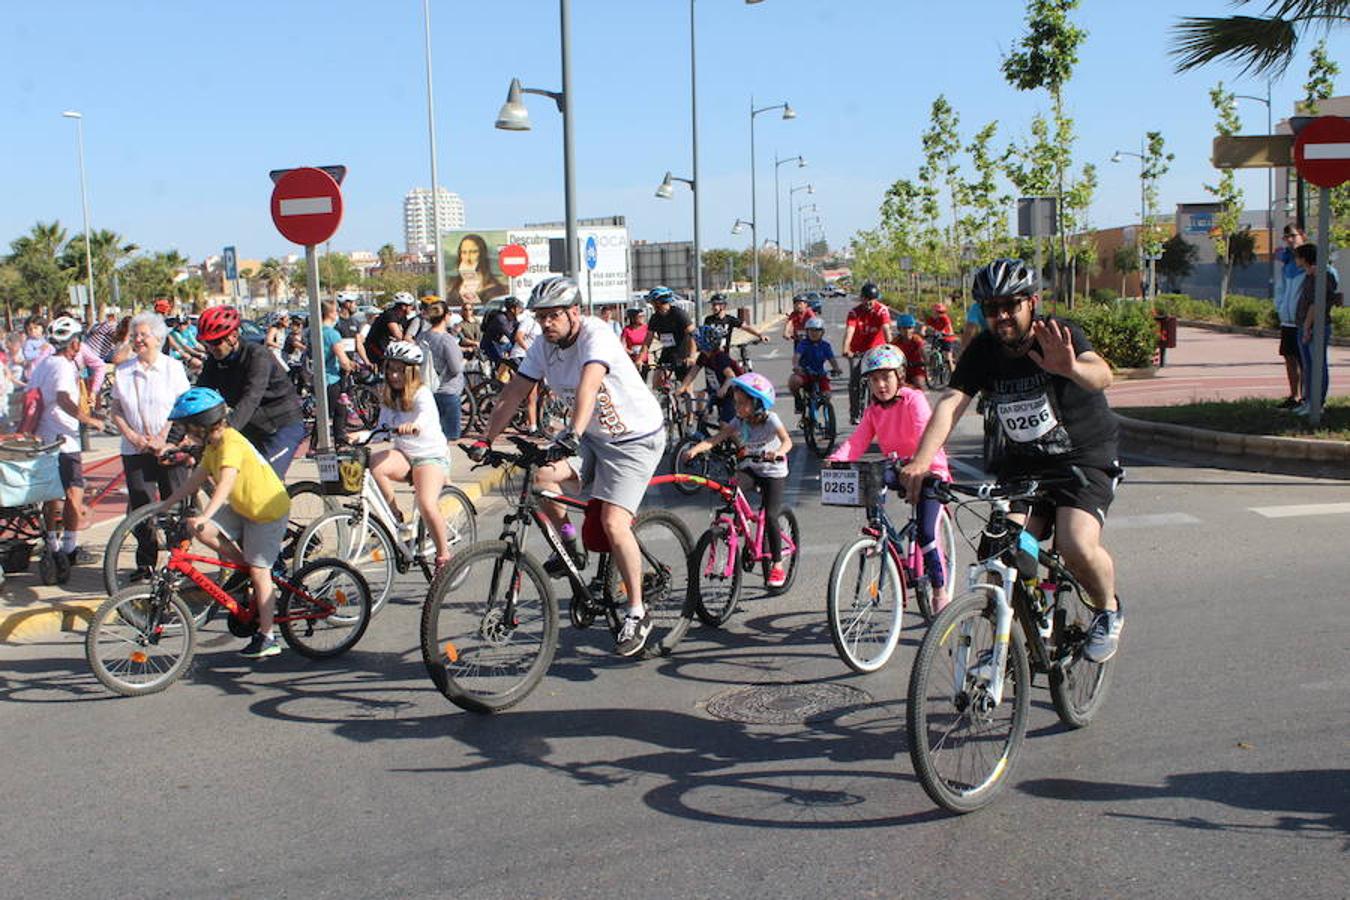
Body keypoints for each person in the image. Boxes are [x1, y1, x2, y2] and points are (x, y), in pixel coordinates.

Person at [900, 258, 1123, 663]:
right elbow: (952, 402)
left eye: (1010, 305)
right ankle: (1010, 642)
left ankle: (1108, 609)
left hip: (1082, 459)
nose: (1000, 315)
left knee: (1073, 544)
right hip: (1024, 467)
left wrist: (1071, 367)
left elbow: (1102, 374)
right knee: (999, 554)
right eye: (990, 308)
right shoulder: (984, 350)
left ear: (1032, 302)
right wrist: (921, 460)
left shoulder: (1058, 334)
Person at [468, 276, 666, 657]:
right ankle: (570, 547)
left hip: (635, 440)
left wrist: (572, 433)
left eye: (553, 316)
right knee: (541, 476)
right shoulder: (544, 346)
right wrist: (485, 440)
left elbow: (590, 385)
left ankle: (637, 612)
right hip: (591, 436)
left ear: (575, 312)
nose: (545, 324)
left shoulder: (597, 336)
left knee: (612, 522)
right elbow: (514, 393)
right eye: (540, 317)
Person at [160, 387, 291, 660]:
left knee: (259, 571)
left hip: (266, 512)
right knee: (198, 529)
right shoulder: (213, 445)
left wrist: (205, 514)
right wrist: (165, 504)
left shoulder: (230, 443)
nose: (186, 432)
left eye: (188, 427)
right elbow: (197, 478)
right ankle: (243, 565)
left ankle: (268, 637)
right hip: (244, 508)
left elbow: (226, 483)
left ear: (202, 425)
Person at [829, 344, 953, 612]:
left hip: (930, 468)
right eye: (874, 379)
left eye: (886, 377)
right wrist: (837, 460)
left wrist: (921, 465)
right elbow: (857, 441)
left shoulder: (914, 399)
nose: (880, 384)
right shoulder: (874, 410)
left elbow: (923, 432)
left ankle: (940, 591)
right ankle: (879, 534)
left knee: (927, 534)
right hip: (899, 466)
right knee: (872, 477)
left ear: (900, 375)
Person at [681, 372, 793, 588]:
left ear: (757, 403)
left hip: (773, 472)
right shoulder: (739, 420)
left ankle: (777, 565)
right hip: (752, 468)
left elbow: (787, 441)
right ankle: (738, 524)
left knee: (770, 516)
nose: (737, 407)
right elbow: (716, 439)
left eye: (742, 403)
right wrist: (694, 450)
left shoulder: (771, 419)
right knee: (730, 487)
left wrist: (778, 452)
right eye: (736, 402)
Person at [110, 313, 192, 581]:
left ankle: (179, 562)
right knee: (140, 505)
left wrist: (163, 439)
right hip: (135, 449)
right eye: (135, 335)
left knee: (175, 505)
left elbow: (182, 407)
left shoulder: (172, 368)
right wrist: (133, 437)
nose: (138, 340)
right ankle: (145, 563)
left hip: (168, 447)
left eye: (143, 335)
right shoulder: (123, 370)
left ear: (158, 338)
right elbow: (116, 409)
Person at [195, 305, 306, 476]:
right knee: (230, 478)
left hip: (281, 426)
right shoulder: (214, 361)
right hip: (251, 428)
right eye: (206, 343)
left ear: (233, 336)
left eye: (215, 342)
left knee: (263, 479)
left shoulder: (257, 356)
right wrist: (175, 439)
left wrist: (226, 430)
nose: (211, 348)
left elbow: (251, 398)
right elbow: (197, 399)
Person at [370, 341, 452, 570]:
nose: (393, 375)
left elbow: (425, 417)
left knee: (427, 504)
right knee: (374, 465)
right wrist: (361, 435)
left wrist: (414, 425)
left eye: (398, 370)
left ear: (411, 371)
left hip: (430, 457)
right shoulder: (389, 396)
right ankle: (396, 517)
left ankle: (444, 556)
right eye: (390, 369)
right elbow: (381, 429)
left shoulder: (422, 393)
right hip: (405, 455)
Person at [30, 317, 106, 565]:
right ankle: (70, 549)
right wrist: (88, 419)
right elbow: (63, 398)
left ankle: (51, 544)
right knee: (74, 492)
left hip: (44, 437)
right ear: (74, 343)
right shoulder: (63, 366)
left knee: (52, 496)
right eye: (79, 341)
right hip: (64, 439)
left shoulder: (43, 364)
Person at [1292, 242, 1342, 416]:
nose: (1295, 260)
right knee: (1308, 365)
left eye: (1297, 256)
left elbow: (1316, 302)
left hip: (1316, 326)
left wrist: (1307, 326)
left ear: (1305, 257)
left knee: (1317, 365)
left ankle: (1317, 403)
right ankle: (1309, 401)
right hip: (1303, 325)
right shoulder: (1310, 273)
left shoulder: (1323, 274)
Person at [842, 282, 894, 424]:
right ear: (862, 298)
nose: (870, 302)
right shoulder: (854, 313)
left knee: (886, 379)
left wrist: (892, 347)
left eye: (873, 299)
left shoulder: (881, 311)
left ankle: (885, 408)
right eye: (867, 299)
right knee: (854, 381)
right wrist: (846, 349)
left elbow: (886, 330)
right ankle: (854, 413)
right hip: (858, 352)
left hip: (877, 352)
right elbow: (849, 332)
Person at [678, 325, 744, 427]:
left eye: (698, 342)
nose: (696, 343)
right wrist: (681, 388)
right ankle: (703, 423)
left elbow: (731, 376)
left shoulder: (719, 357)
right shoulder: (704, 356)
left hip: (731, 394)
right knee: (701, 398)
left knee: (724, 424)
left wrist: (724, 389)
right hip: (715, 391)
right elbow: (692, 373)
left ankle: (741, 444)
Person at [418, 300, 465, 440]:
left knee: (429, 436)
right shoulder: (446, 339)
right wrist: (465, 361)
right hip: (447, 391)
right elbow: (455, 368)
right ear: (445, 316)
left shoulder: (422, 337)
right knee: (448, 438)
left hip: (426, 390)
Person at [1274, 226, 1307, 408]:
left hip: (1302, 320)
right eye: (1286, 236)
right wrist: (1280, 308)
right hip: (1287, 320)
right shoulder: (1287, 262)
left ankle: (1306, 397)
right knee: (1289, 356)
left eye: (1293, 236)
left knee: (1305, 360)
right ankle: (1294, 395)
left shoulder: (1310, 259)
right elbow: (1281, 289)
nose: (1289, 240)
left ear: (1302, 236)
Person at [644, 286, 696, 390]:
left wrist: (692, 356)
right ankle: (662, 403)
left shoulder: (678, 314)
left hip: (683, 353)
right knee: (657, 380)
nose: (652, 304)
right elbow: (648, 340)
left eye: (653, 302)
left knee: (686, 386)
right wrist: (640, 358)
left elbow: (693, 334)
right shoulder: (655, 317)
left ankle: (690, 403)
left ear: (659, 301)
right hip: (667, 352)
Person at [788, 316, 842, 416]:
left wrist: (836, 368)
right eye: (811, 330)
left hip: (820, 375)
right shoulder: (803, 344)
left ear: (822, 332)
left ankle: (824, 416)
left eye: (817, 330)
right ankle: (798, 401)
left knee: (827, 396)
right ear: (807, 331)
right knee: (793, 380)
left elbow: (832, 359)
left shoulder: (825, 345)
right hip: (806, 374)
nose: (814, 333)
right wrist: (796, 366)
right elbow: (796, 356)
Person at [318, 300, 355, 448]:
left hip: (319, 376)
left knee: (340, 409)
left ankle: (340, 438)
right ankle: (316, 444)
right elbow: (342, 358)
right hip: (331, 377)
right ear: (331, 314)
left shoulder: (313, 332)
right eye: (335, 311)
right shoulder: (332, 334)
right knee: (327, 412)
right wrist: (349, 365)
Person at [446, 234, 508, 306]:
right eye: (464, 252)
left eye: (473, 252)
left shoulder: (494, 288)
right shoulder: (452, 284)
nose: (468, 258)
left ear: (482, 254)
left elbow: (473, 310)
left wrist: (469, 279)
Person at [702, 292, 767, 352]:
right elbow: (705, 336)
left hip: (725, 354)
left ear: (722, 306)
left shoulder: (730, 319)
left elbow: (745, 327)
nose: (712, 308)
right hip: (711, 355)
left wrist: (760, 335)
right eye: (712, 305)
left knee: (734, 364)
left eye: (714, 305)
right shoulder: (708, 320)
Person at [362, 293, 414, 367]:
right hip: (375, 351)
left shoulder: (403, 317)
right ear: (403, 306)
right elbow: (398, 335)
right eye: (411, 305)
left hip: (387, 350)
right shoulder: (390, 315)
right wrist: (413, 343)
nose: (412, 308)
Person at [481, 295, 521, 372]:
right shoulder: (501, 319)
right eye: (518, 307)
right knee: (503, 363)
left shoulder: (513, 318)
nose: (520, 310)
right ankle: (496, 382)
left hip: (500, 343)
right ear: (512, 309)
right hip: (489, 345)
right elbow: (511, 337)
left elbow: (519, 329)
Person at [892, 313, 928, 388]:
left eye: (910, 328)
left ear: (913, 329)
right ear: (899, 329)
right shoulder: (895, 342)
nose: (907, 331)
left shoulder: (917, 340)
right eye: (904, 328)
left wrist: (926, 362)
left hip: (916, 369)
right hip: (902, 370)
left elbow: (923, 353)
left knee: (919, 384)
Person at [925, 302, 957, 371]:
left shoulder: (945, 318)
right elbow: (925, 326)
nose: (940, 314)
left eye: (941, 312)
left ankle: (954, 374)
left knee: (948, 358)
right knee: (933, 352)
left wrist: (944, 332)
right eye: (938, 312)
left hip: (948, 338)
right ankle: (931, 372)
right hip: (938, 337)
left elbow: (948, 326)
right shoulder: (931, 319)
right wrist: (922, 331)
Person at [621, 307, 650, 380]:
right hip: (632, 359)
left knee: (643, 380)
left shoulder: (646, 328)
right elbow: (622, 345)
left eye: (643, 316)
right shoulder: (627, 330)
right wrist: (631, 352)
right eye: (640, 317)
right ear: (633, 318)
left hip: (644, 358)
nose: (642, 318)